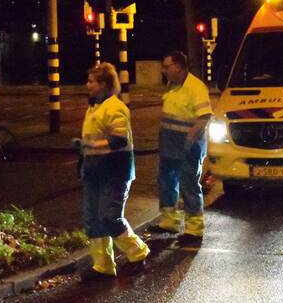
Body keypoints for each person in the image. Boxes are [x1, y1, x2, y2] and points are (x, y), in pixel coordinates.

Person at [77, 63, 150, 279]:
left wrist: (91, 146)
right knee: (93, 219)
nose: (87, 84)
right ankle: (102, 266)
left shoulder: (116, 107)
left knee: (110, 217)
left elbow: (119, 139)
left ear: (104, 84)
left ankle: (138, 253)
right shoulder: (94, 107)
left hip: (115, 172)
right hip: (95, 172)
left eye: (91, 81)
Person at [152, 51, 212, 243]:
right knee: (167, 182)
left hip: (188, 146)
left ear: (178, 67)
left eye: (167, 66)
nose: (164, 70)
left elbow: (204, 117)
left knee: (189, 185)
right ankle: (169, 222)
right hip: (170, 144)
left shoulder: (195, 87)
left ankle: (194, 230)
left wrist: (189, 140)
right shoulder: (173, 86)